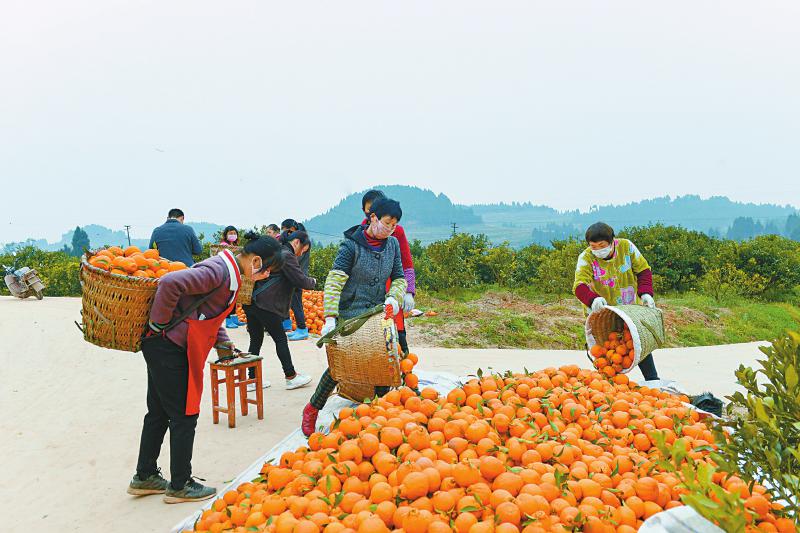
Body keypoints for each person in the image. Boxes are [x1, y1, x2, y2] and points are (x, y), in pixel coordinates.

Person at [128, 238, 283, 503]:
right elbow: (170, 283)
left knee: (159, 411)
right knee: (184, 415)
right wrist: (159, 324)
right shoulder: (219, 272)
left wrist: (224, 344)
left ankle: (145, 476)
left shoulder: (229, 272)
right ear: (256, 261)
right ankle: (179, 485)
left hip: (163, 346)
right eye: (268, 270)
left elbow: (205, 312)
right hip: (170, 347)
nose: (267, 275)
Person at [301, 198, 408, 436]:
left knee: (380, 361)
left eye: (394, 225)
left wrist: (394, 297)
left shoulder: (392, 245)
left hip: (377, 314)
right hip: (350, 314)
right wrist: (330, 317)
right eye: (387, 223)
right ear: (373, 218)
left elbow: (399, 276)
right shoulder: (351, 246)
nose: (390, 229)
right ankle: (312, 409)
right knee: (339, 366)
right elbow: (335, 280)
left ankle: (380, 415)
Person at [573, 222, 659, 381]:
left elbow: (643, 270)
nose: (598, 250)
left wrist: (646, 293)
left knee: (636, 341)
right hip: (602, 311)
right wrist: (592, 300)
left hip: (629, 308)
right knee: (607, 350)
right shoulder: (586, 258)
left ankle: (653, 380)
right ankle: (609, 385)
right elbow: (579, 286)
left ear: (612, 241)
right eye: (593, 246)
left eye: (602, 245)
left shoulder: (626, 247)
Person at [243, 231, 316, 390]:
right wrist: (313, 282)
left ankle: (252, 380)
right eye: (303, 249)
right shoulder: (286, 255)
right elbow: (299, 279)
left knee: (255, 340)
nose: (302, 253)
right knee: (280, 339)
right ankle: (290, 376)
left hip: (251, 301)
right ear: (297, 242)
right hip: (266, 304)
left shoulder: (275, 252)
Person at [360, 190, 417, 355]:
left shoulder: (396, 232)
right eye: (368, 211)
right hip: (368, 290)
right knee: (373, 330)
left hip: (391, 286)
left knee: (396, 324)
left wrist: (409, 292)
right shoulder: (362, 230)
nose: (372, 215)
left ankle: (403, 359)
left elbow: (406, 263)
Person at [286, 223, 312, 341]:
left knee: (296, 303)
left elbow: (296, 259)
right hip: (296, 275)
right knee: (293, 302)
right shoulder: (301, 243)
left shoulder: (303, 245)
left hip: (298, 277)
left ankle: (302, 328)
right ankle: (298, 328)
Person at [219, 226, 241, 329]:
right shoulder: (223, 246)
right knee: (228, 298)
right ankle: (228, 320)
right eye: (230, 233)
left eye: (234, 233)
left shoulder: (236, 246)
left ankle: (234, 318)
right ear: (226, 235)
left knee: (235, 297)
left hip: (235, 274)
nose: (233, 235)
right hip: (227, 274)